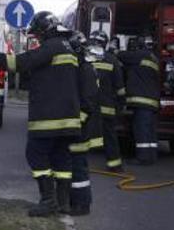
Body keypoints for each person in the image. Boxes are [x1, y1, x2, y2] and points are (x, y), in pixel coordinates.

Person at [0, 11, 80, 217]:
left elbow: (20, 63)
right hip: (69, 118)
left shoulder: (51, 47)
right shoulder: (67, 47)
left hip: (49, 117)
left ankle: (48, 201)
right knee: (61, 158)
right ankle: (63, 203)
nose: (37, 38)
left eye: (38, 35)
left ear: (45, 31)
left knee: (35, 154)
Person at [69, 32, 99, 216]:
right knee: (75, 165)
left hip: (80, 127)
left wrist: (74, 123)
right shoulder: (82, 67)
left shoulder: (85, 69)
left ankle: (82, 205)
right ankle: (75, 201)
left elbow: (88, 103)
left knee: (78, 167)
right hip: (78, 126)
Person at [118, 35, 161, 165]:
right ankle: (151, 156)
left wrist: (114, 50)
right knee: (150, 131)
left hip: (142, 101)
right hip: (152, 101)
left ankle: (142, 158)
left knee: (141, 129)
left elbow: (122, 56)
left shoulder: (139, 55)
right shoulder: (154, 58)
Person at [88, 30, 126, 172]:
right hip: (107, 108)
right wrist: (121, 105)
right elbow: (120, 87)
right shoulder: (112, 59)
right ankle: (114, 165)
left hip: (88, 107)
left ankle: (76, 165)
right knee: (110, 137)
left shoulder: (83, 58)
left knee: (82, 136)